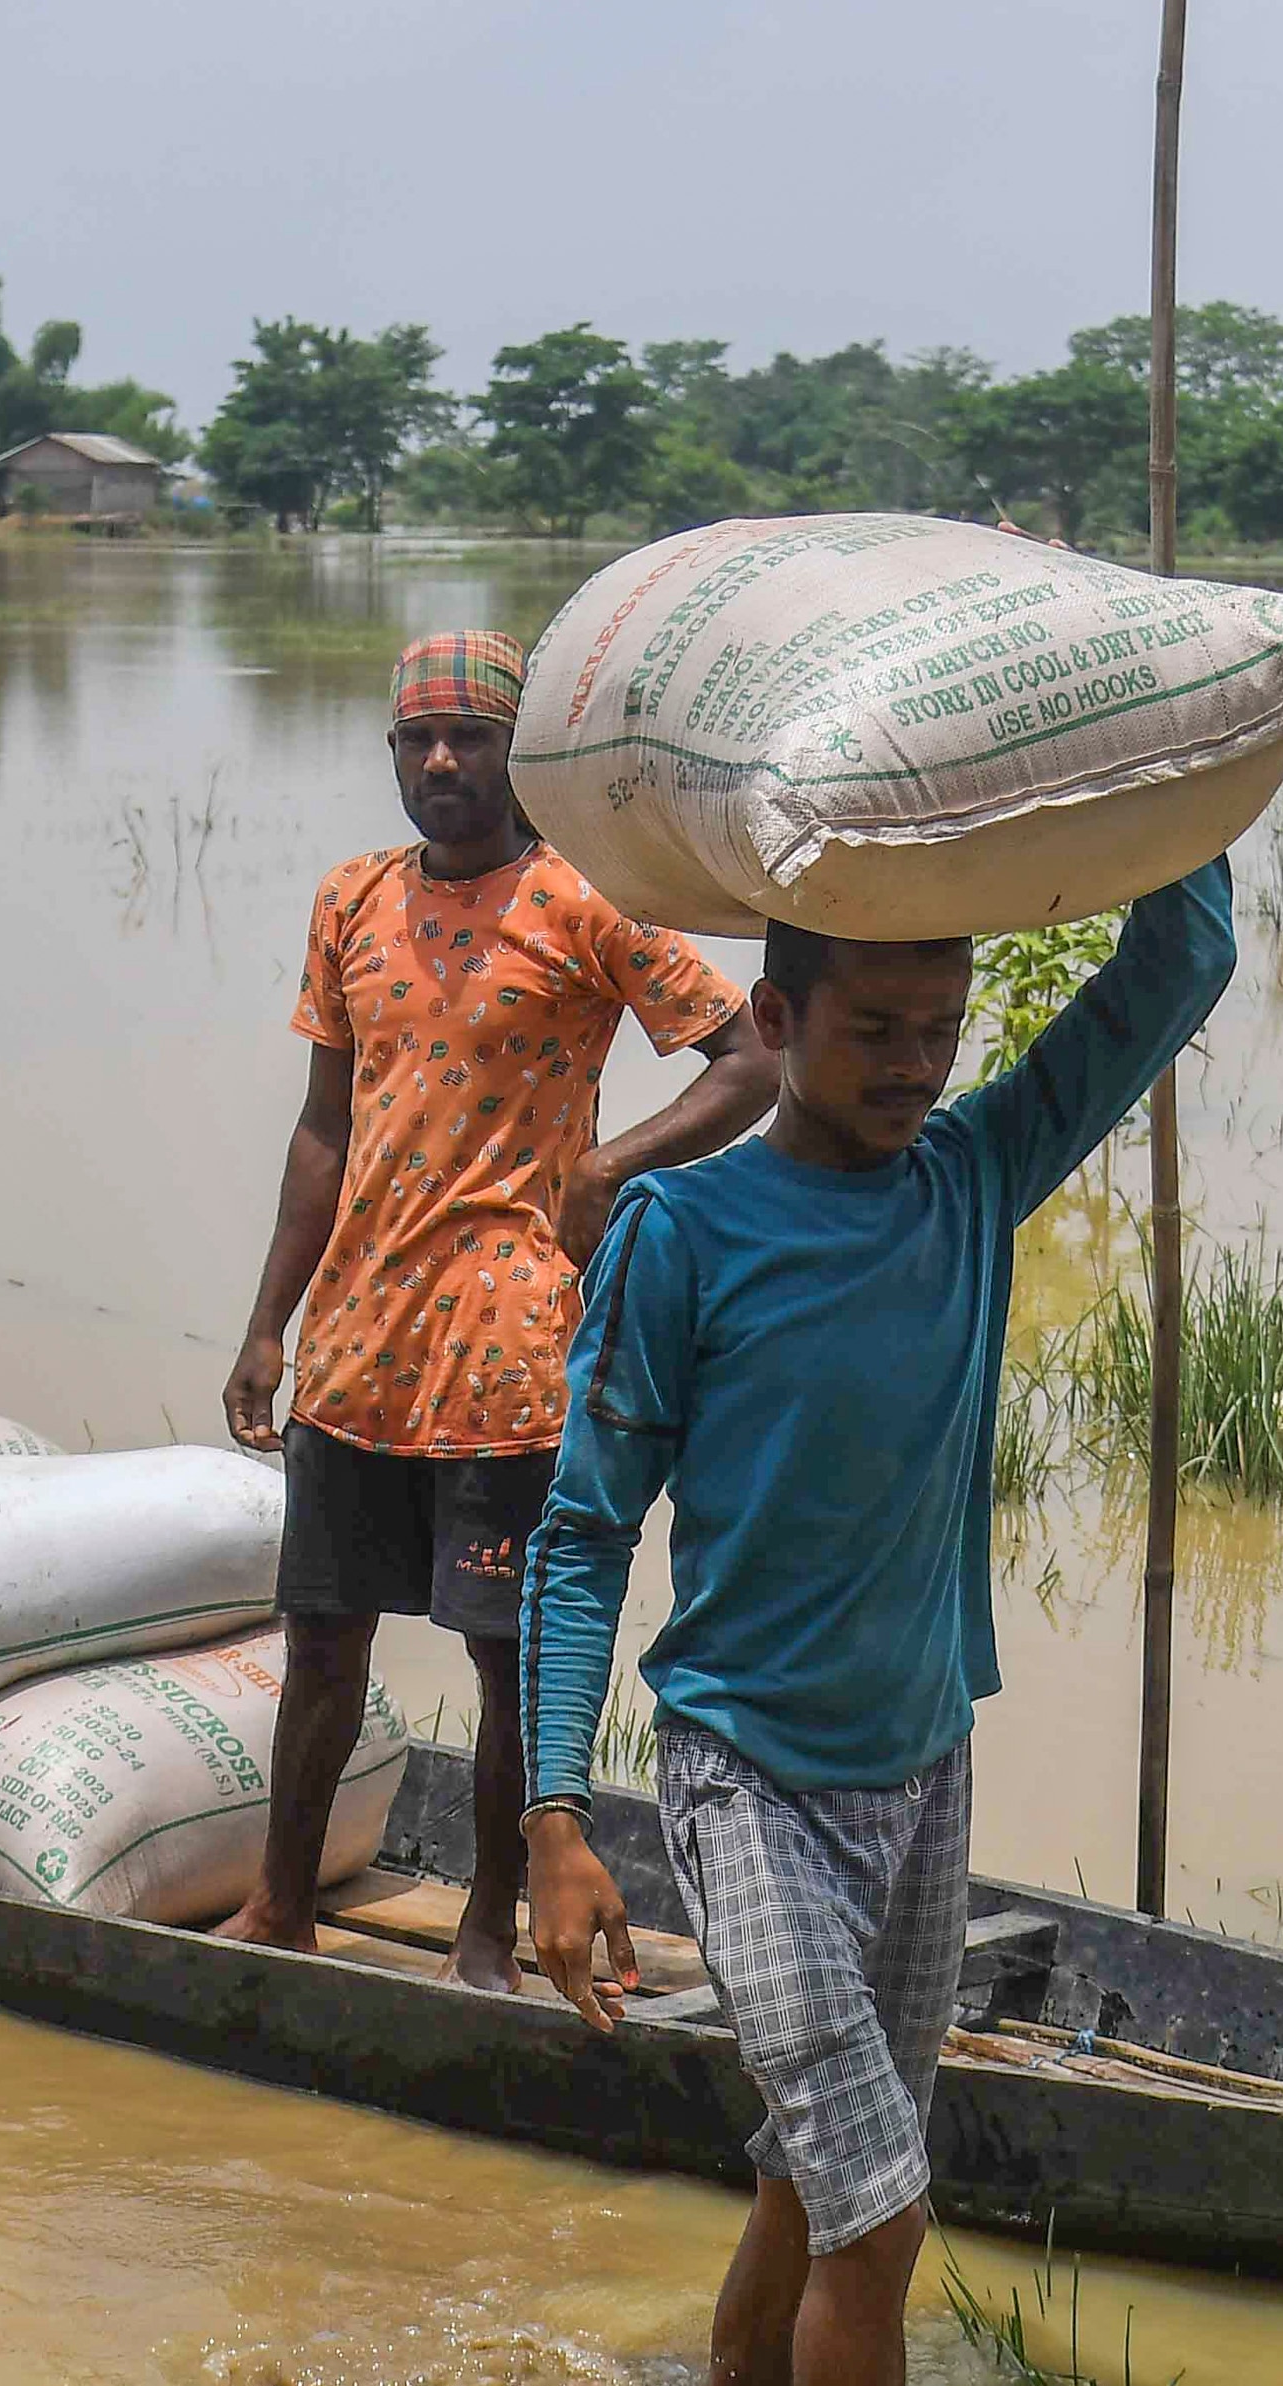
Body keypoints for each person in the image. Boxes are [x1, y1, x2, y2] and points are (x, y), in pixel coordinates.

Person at [515, 860, 1238, 2386]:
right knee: (883, 2201)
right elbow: (578, 1541)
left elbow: (1181, 960)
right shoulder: (681, 1237)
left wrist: (1160, 775)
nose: (918, 1066)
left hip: (921, 1775)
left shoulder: (972, 1180)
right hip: (744, 1780)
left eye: (941, 1028)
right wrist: (555, 1823)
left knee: (819, 2175)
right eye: (875, 1032)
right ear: (774, 1022)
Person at [222, 628, 769, 1983]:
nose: (444, 763)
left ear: (524, 759)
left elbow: (751, 1056)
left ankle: (486, 1930)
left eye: (472, 740)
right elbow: (320, 1134)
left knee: (506, 1659)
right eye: (419, 741)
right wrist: (264, 1324)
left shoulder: (586, 901)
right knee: (323, 1647)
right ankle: (282, 1906)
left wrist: (610, 1164)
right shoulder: (354, 899)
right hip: (357, 1347)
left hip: (511, 1355)